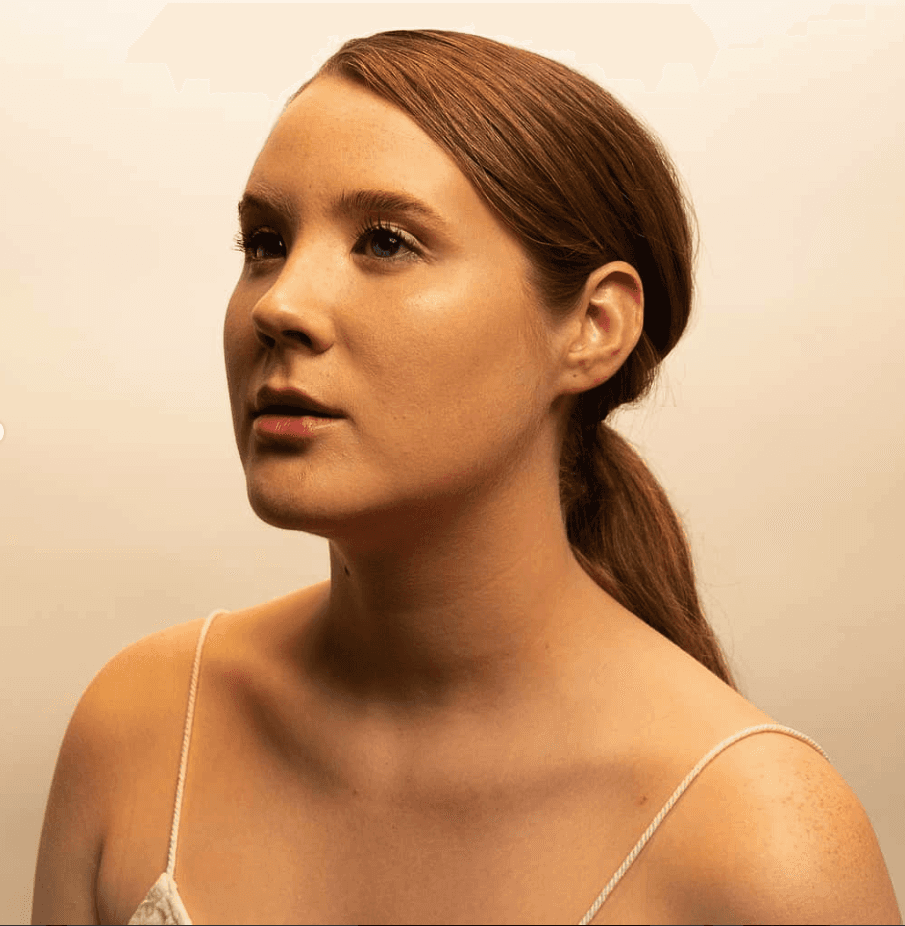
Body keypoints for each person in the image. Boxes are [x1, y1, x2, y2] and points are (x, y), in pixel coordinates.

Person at [32, 29, 900, 925]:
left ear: (593, 327)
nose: (280, 304)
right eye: (265, 242)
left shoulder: (765, 844)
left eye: (384, 242)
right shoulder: (142, 727)